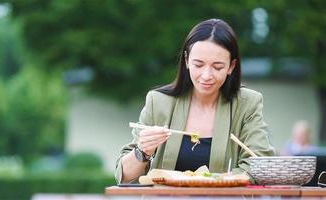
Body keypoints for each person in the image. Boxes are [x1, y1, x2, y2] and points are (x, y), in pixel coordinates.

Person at [115, 18, 275, 184]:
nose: (206, 75)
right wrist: (143, 151)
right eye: (198, 64)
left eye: (217, 67)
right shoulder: (159, 102)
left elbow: (260, 165)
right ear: (186, 61)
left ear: (231, 66)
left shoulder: (247, 104)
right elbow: (125, 177)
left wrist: (209, 181)